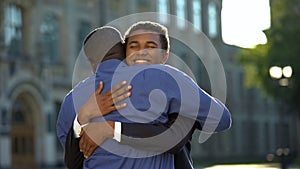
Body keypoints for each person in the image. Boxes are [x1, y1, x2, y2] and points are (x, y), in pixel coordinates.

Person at [57, 22, 231, 169]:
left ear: (165, 55)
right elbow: (220, 119)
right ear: (123, 52)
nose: (141, 52)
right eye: (134, 46)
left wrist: (109, 128)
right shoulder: (167, 80)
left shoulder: (72, 99)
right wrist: (83, 117)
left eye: (151, 46)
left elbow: (172, 139)